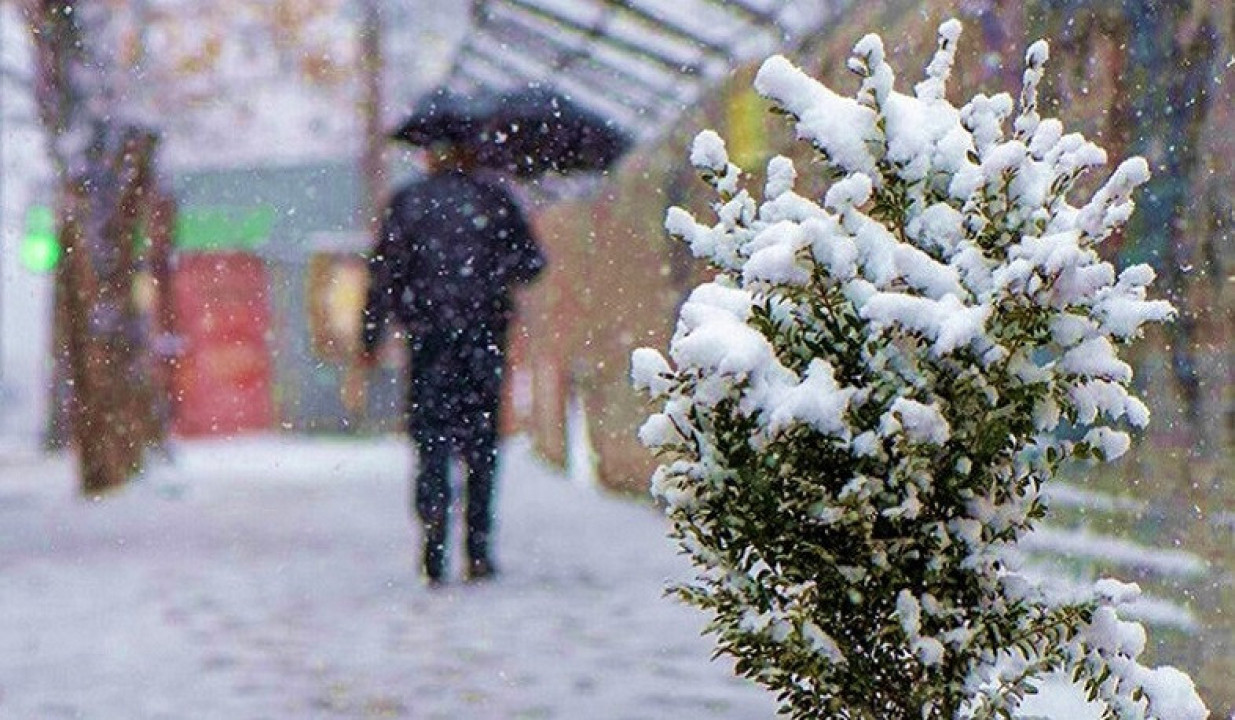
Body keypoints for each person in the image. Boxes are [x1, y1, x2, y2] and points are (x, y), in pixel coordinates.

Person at [348, 141, 546, 585]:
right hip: (483, 338)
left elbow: (383, 274)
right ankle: (478, 547)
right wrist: (496, 271)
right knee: (481, 445)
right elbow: (533, 263)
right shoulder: (495, 199)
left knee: (431, 440)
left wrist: (371, 336)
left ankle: (434, 538)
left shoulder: (409, 202)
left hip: (428, 341)